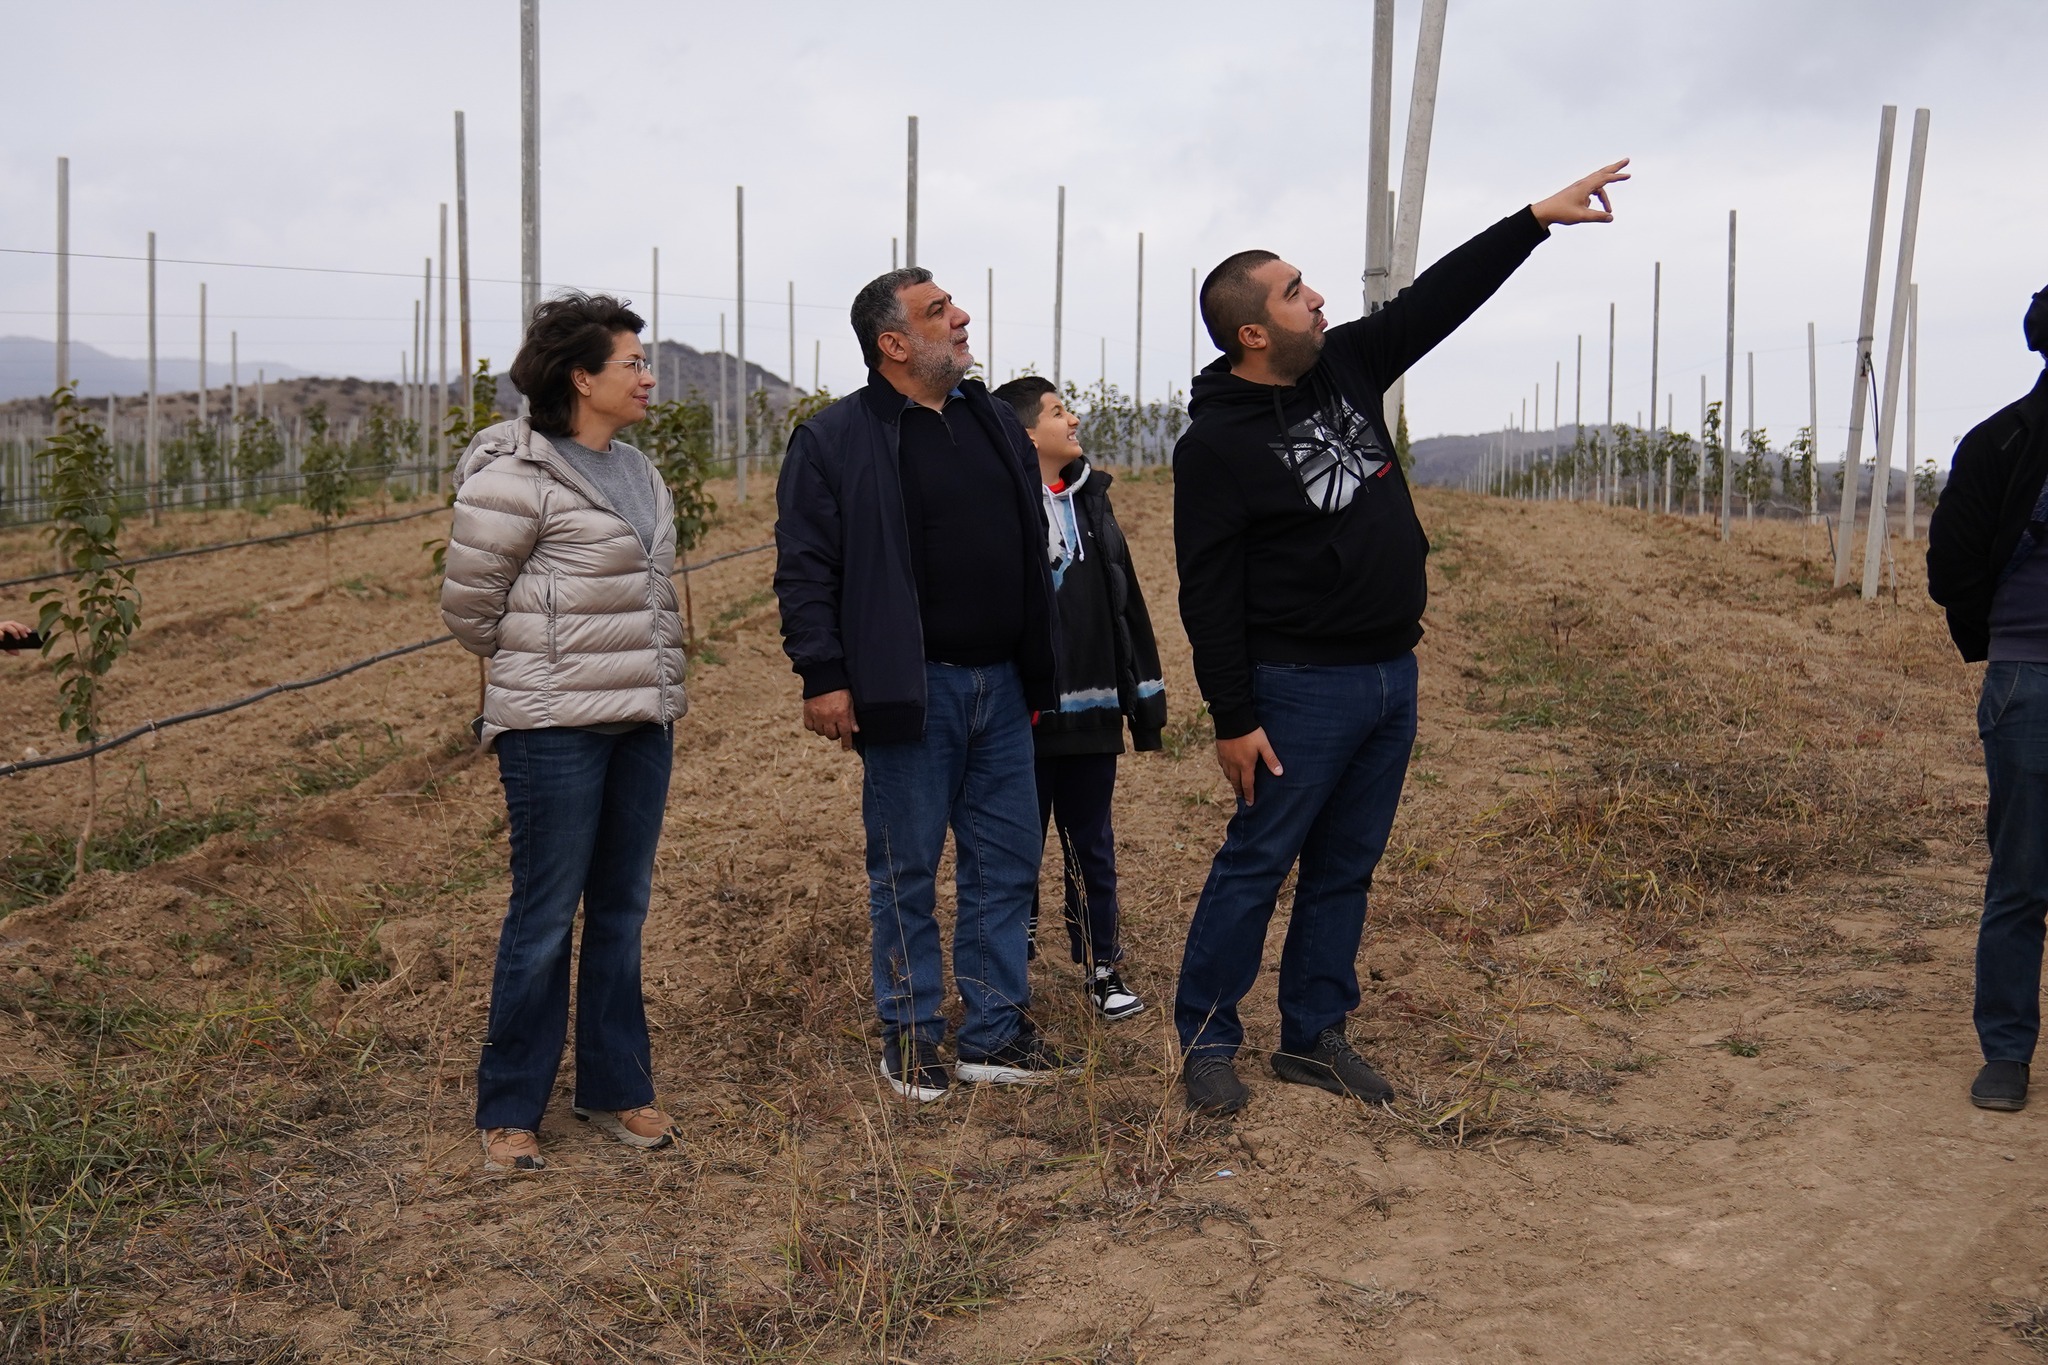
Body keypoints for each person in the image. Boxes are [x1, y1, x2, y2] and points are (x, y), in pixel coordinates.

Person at [1171, 161, 1631, 1117]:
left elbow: (1439, 301)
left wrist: (1533, 220)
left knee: (1347, 863)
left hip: (1389, 673)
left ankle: (1314, 1034)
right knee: (1257, 862)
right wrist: (1233, 717)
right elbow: (1206, 593)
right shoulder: (1214, 446)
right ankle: (1208, 1040)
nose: (1318, 298)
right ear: (1253, 331)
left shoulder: (1343, 364)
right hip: (1297, 687)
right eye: (1295, 292)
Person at [774, 269, 1075, 1102]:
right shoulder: (836, 438)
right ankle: (910, 1034)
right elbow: (805, 567)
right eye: (939, 312)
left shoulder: (991, 421)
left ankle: (993, 1029)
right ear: (894, 344)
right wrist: (824, 674)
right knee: (905, 869)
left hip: (1003, 684)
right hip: (911, 690)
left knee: (1005, 862)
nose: (962, 317)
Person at [441, 292, 688, 1169]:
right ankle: (511, 1106)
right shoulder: (512, 477)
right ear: (582, 378)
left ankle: (616, 1087)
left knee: (621, 909)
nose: (647, 377)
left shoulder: (640, 471)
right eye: (632, 363)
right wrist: (546, 662)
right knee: (544, 914)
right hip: (553, 728)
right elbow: (470, 609)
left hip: (642, 718)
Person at [993, 375, 1167, 1020]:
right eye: (1058, 411)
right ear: (1026, 433)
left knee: (1089, 843)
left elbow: (1126, 604)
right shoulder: (999, 508)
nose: (1072, 420)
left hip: (1092, 711)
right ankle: (1010, 969)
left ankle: (1101, 966)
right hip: (1021, 716)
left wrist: (1142, 697)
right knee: (1014, 848)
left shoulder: (1093, 504)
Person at [1926, 285, 2048, 1113]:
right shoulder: (2003, 440)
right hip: (2028, 678)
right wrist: (2004, 636)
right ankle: (2006, 1051)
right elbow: (1952, 567)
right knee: (2023, 875)